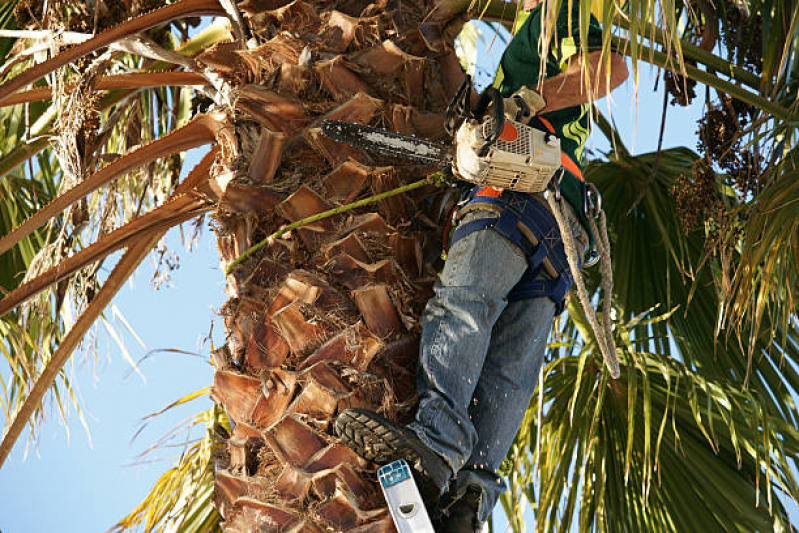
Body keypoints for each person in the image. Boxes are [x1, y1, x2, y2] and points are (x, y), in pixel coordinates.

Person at [336, 0, 629, 530]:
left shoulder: (552, 14)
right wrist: (480, 101)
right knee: (509, 369)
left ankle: (436, 442)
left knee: (462, 304)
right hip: (562, 230)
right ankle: (469, 498)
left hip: (518, 194)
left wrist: (525, 101)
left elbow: (610, 68)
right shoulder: (527, 40)